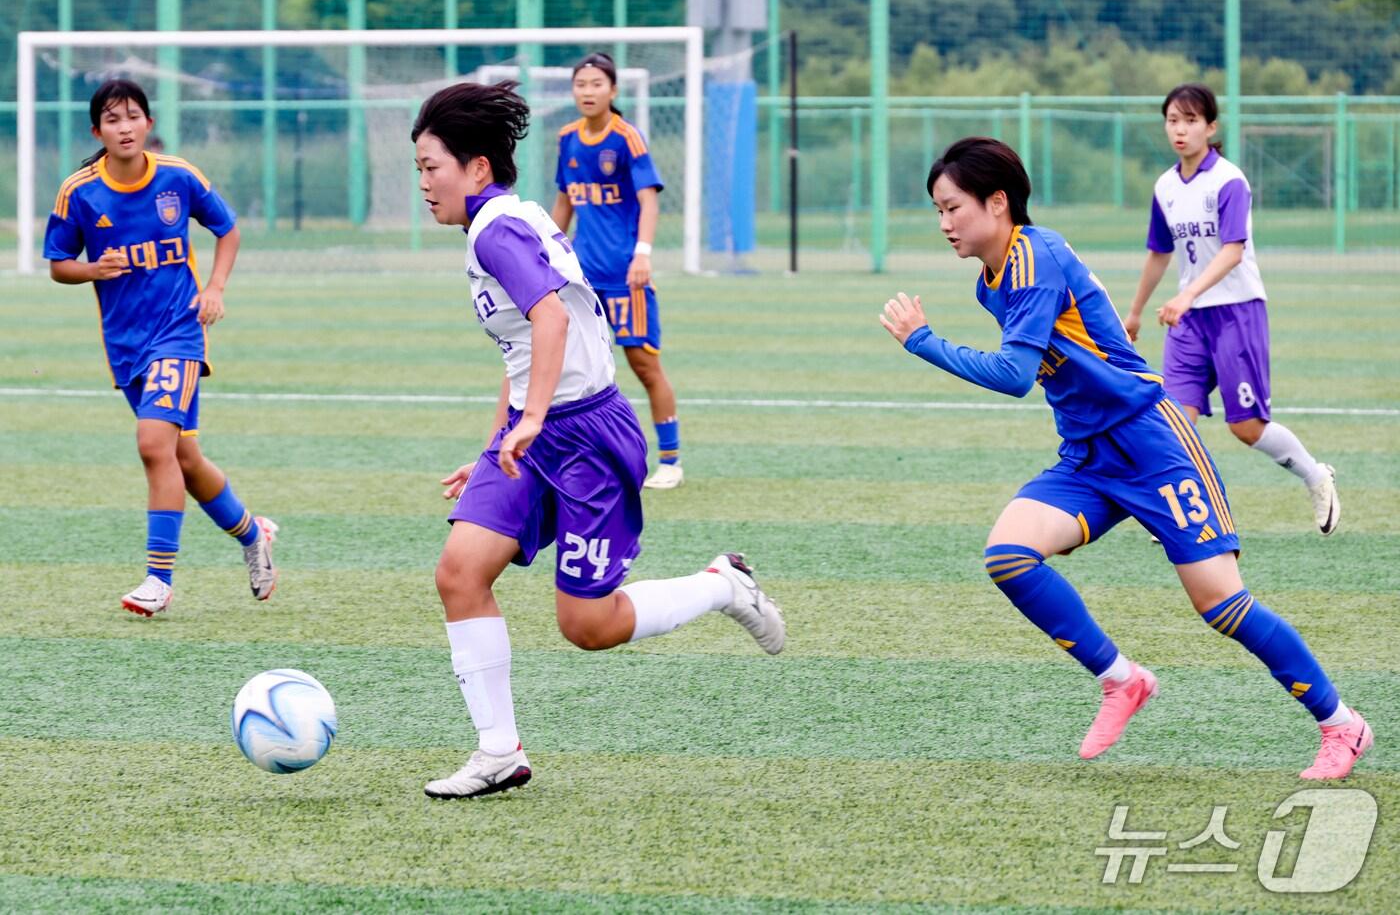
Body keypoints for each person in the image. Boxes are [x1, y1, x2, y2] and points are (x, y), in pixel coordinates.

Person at [878, 136, 1371, 779]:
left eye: (952, 208)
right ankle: (1123, 680)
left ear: (997, 203)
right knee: (1008, 555)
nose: (944, 224)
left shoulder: (1035, 259)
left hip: (1152, 444)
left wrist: (923, 342)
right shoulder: (992, 281)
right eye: (937, 211)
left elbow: (1013, 374)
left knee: (1221, 604)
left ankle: (1343, 725)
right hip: (1088, 455)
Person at [412, 81, 785, 800]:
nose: (424, 184)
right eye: (420, 169)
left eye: (433, 167)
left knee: (588, 625)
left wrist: (528, 420)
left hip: (586, 436)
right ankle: (498, 752)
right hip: (539, 429)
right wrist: (501, 436)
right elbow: (521, 347)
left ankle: (721, 585)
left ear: (478, 168)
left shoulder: (496, 229)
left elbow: (549, 319)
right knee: (459, 572)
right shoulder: (497, 223)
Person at [44, 79, 277, 617]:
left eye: (132, 117)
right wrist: (91, 269)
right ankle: (252, 533)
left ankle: (158, 578)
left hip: (179, 332)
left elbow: (228, 228)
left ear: (148, 123)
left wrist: (214, 288)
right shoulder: (79, 191)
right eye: (112, 119)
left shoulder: (179, 176)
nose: (124, 128)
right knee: (184, 458)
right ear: (96, 130)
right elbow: (58, 264)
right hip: (125, 344)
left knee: (153, 444)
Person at [1126, 83, 1339, 536]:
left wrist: (1186, 295)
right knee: (1174, 423)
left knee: (1246, 428)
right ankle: (1182, 517)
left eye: (1190, 121)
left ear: (1211, 126)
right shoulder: (1165, 186)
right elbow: (1159, 252)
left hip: (1236, 313)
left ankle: (1316, 475)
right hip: (1189, 323)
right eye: (1172, 121)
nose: (1180, 130)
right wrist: (1136, 312)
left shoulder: (1229, 181)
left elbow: (1232, 251)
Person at [551, 53, 684, 490]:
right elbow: (566, 202)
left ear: (613, 91)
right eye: (580, 84)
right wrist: (550, 250)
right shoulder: (567, 139)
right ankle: (584, 455)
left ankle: (670, 460)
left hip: (626, 276)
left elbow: (649, 199)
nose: (587, 92)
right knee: (577, 367)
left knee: (643, 365)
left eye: (596, 84)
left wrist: (642, 254)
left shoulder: (627, 138)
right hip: (582, 277)